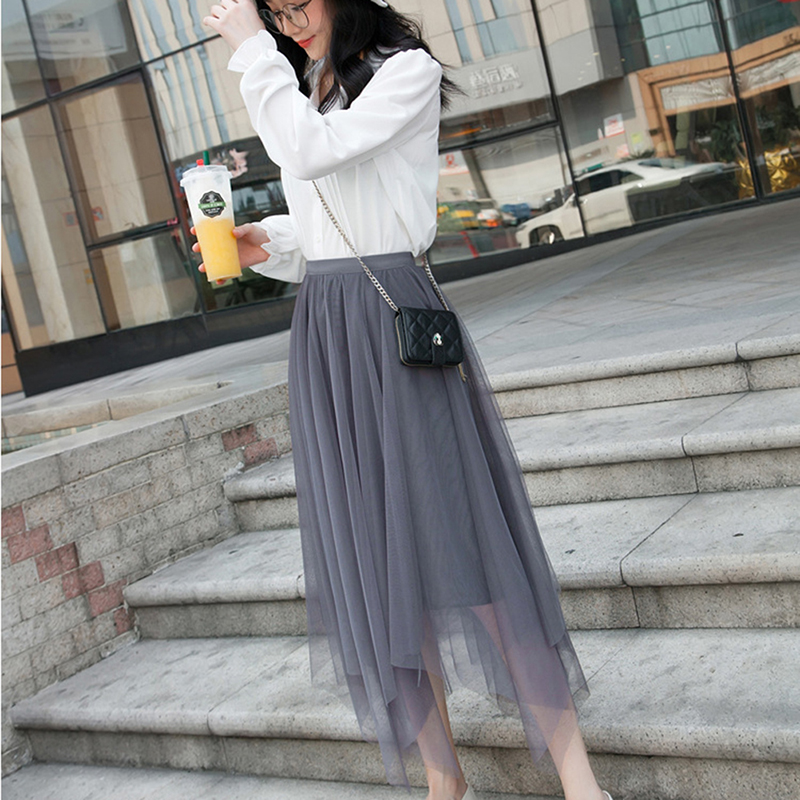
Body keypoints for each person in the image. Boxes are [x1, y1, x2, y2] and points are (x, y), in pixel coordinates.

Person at [198, 2, 614, 799]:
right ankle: (441, 776)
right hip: (327, 325)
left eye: (297, 3)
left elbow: (315, 154)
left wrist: (251, 49)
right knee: (378, 560)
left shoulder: (404, 72)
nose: (289, 21)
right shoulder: (306, 87)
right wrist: (267, 242)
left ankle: (578, 779)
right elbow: (328, 211)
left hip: (393, 319)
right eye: (274, 11)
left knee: (467, 544)